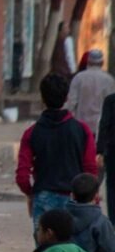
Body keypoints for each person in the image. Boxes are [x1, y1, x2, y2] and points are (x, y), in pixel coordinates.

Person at [16, 73, 98, 232]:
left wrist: (31, 192)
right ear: (67, 97)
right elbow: (90, 169)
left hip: (43, 197)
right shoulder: (82, 130)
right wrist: (91, 195)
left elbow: (22, 175)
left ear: (42, 98)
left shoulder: (31, 133)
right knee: (72, 251)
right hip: (75, 199)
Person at [67, 49, 115, 136]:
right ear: (102, 62)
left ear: (88, 62)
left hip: (81, 127)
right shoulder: (109, 80)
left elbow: (71, 103)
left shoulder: (78, 78)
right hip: (101, 128)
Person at [94, 90, 115, 220]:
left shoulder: (111, 100)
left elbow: (104, 125)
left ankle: (113, 219)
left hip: (112, 148)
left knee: (112, 185)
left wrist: (100, 151)